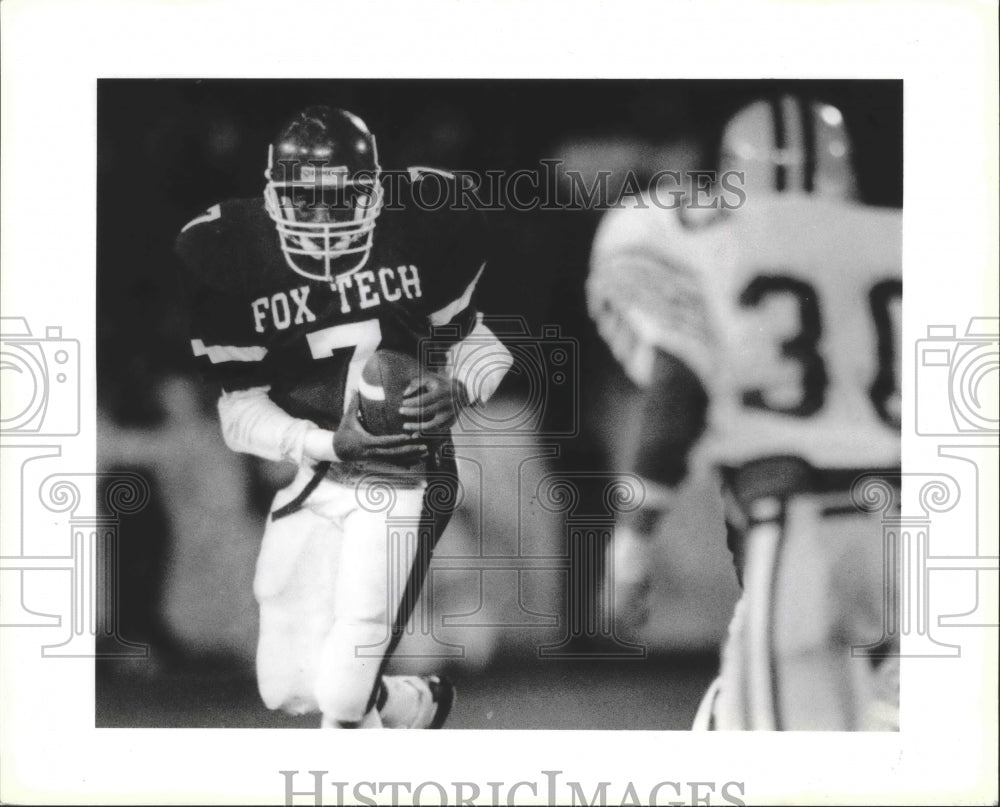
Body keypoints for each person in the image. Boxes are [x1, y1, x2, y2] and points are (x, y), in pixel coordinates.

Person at [175, 105, 512, 728]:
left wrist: (459, 388)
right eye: (307, 198)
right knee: (286, 690)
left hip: (404, 475)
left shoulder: (418, 228)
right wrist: (332, 442)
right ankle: (412, 704)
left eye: (343, 197)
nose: (325, 217)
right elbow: (239, 414)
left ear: (375, 191)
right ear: (274, 194)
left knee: (343, 687)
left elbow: (485, 347)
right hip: (315, 473)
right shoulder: (228, 253)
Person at [588, 94, 901, 730]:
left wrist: (633, 539)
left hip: (804, 514)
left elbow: (680, 387)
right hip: (925, 527)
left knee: (781, 754)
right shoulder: (901, 239)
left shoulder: (714, 244)